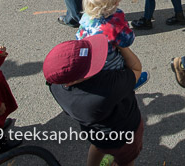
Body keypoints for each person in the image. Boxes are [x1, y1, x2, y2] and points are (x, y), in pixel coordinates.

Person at [44, 35, 144, 166]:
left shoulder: (55, 86)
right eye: (91, 64)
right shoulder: (106, 89)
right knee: (127, 160)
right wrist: (121, 45)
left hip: (94, 133)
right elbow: (136, 69)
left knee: (97, 147)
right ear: (73, 80)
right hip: (123, 134)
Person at [77, 0, 137, 74]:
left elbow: (79, 35)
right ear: (116, 2)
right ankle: (131, 80)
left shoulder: (86, 16)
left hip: (88, 58)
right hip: (109, 62)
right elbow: (127, 40)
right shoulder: (116, 19)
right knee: (126, 63)